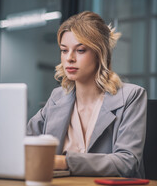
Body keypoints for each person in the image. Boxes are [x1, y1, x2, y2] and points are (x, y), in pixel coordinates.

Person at [27, 11, 147, 178]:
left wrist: (63, 162)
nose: (69, 58)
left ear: (100, 53)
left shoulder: (132, 96)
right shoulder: (57, 97)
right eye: (64, 50)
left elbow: (126, 163)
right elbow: (24, 143)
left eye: (80, 50)